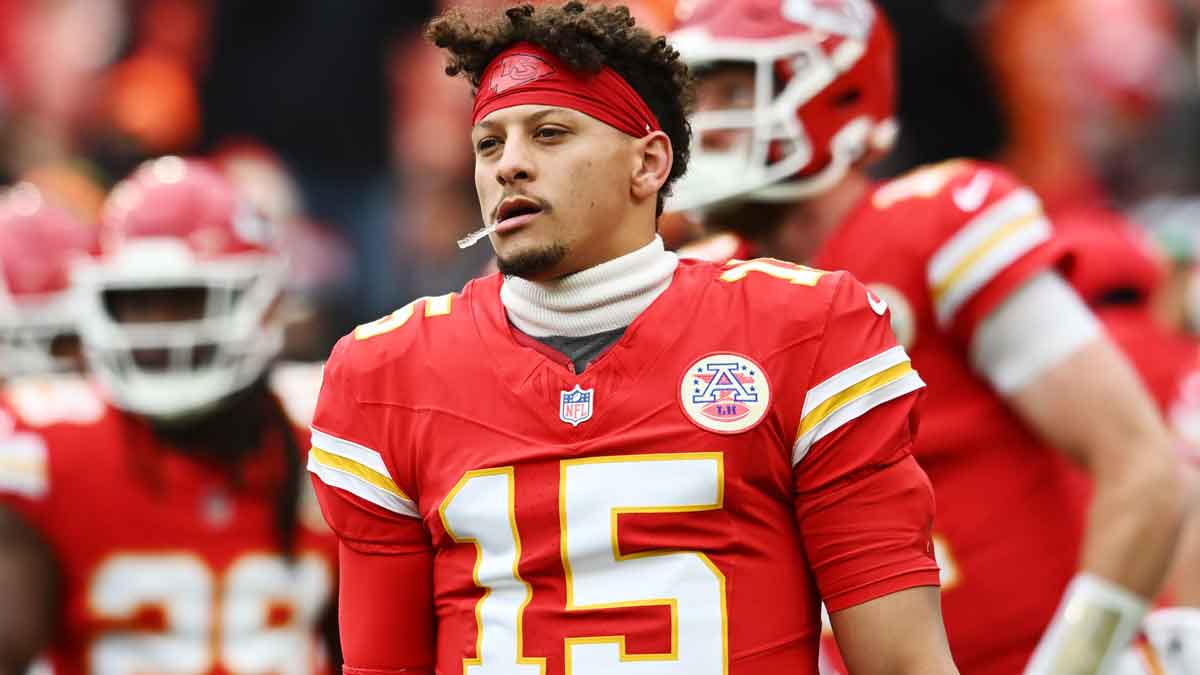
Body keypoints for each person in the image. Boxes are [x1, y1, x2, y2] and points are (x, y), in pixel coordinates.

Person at [305, 2, 958, 674]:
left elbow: (903, 661)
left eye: (550, 133)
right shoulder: (387, 371)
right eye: (490, 143)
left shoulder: (805, 329)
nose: (510, 166)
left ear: (647, 164)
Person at [666, 1, 1188, 673]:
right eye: (696, 96)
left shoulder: (934, 227)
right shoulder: (700, 286)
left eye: (733, 90)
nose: (706, 122)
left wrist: (1070, 665)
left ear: (837, 92)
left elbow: (1142, 469)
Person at [0, 157, 339, 675]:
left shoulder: (330, 432)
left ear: (262, 301)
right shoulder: (44, 443)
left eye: (187, 300)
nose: (162, 332)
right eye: (138, 303)